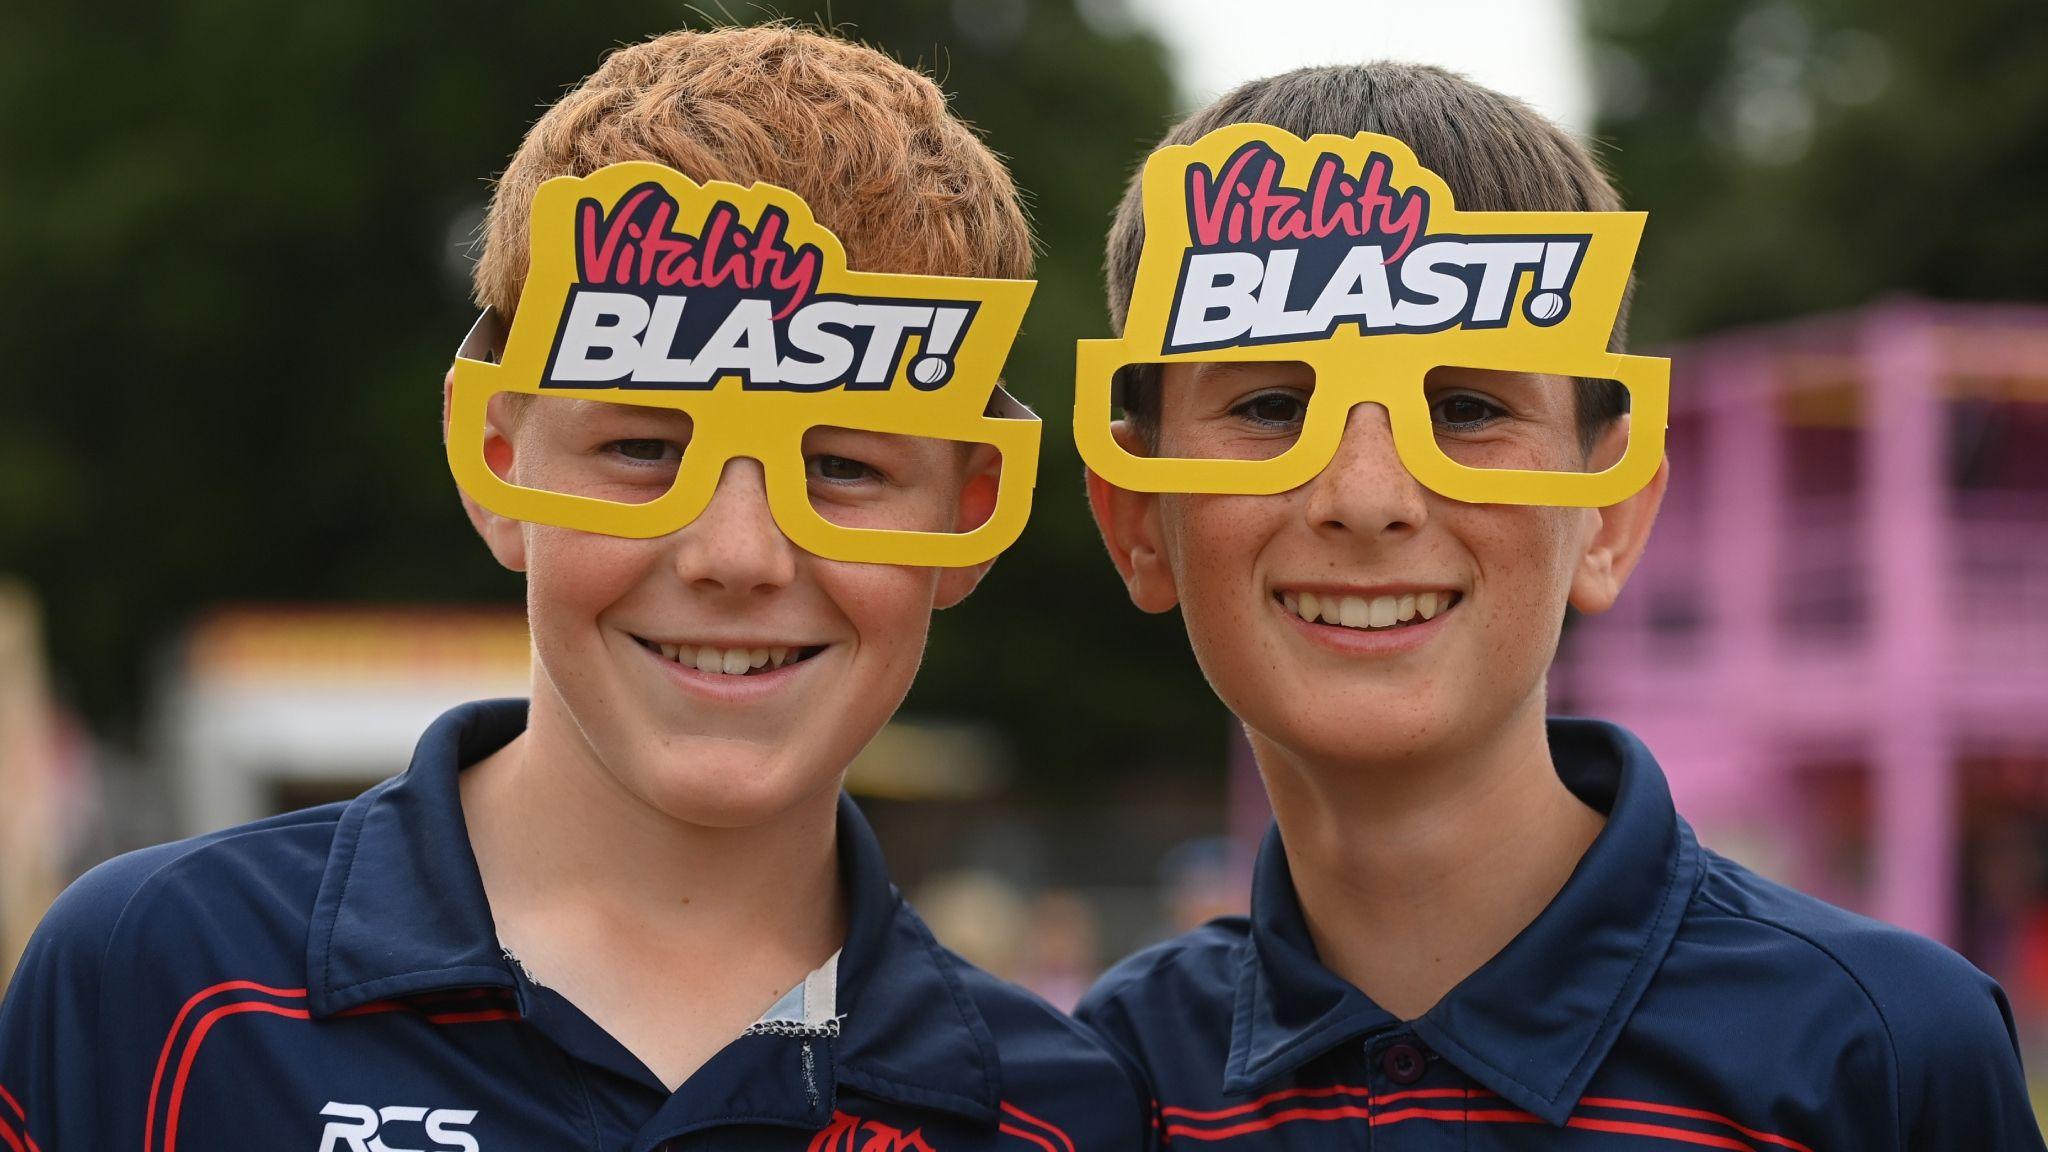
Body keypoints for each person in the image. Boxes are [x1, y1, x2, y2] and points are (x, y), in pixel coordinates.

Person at [0, 26, 1141, 1152]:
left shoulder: (1056, 1118)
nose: (737, 554)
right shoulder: (160, 979)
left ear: (968, 510)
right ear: (495, 461)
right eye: (643, 449)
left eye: (843, 468)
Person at [1073, 62, 2045, 1149]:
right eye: (1268, 406)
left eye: (1466, 407)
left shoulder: (1886, 1052)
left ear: (1610, 516)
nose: (1367, 497)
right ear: (1135, 520)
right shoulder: (1104, 1082)